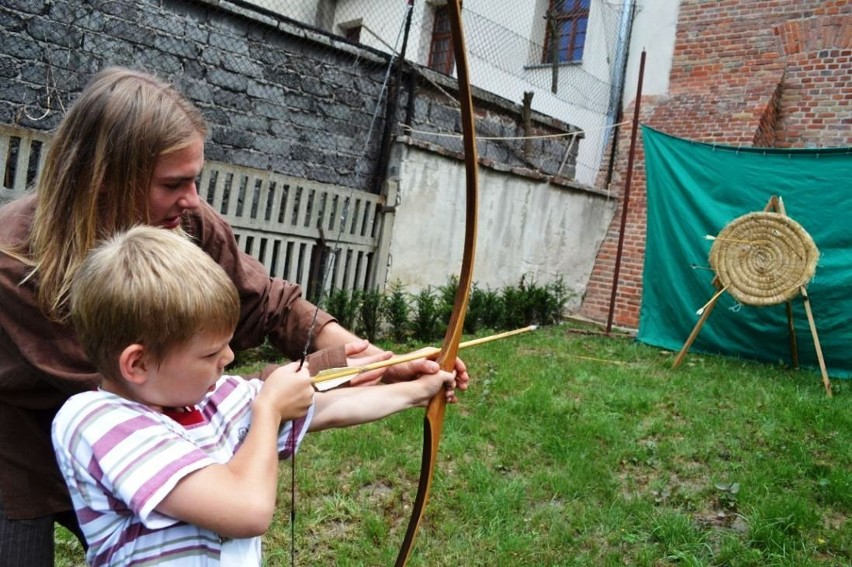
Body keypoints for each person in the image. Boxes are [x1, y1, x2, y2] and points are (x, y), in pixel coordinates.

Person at [0, 66, 469, 565]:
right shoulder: (14, 259)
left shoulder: (185, 222)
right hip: (23, 454)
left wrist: (379, 366)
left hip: (155, 435)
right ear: (106, 180)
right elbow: (123, 383)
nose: (193, 200)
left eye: (195, 179)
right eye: (173, 183)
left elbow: (272, 305)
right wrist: (284, 391)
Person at [51, 225, 458, 565]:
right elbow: (246, 510)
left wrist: (418, 390)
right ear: (137, 364)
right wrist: (269, 409)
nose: (228, 358)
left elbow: (328, 407)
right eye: (210, 352)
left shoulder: (213, 398)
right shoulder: (96, 422)